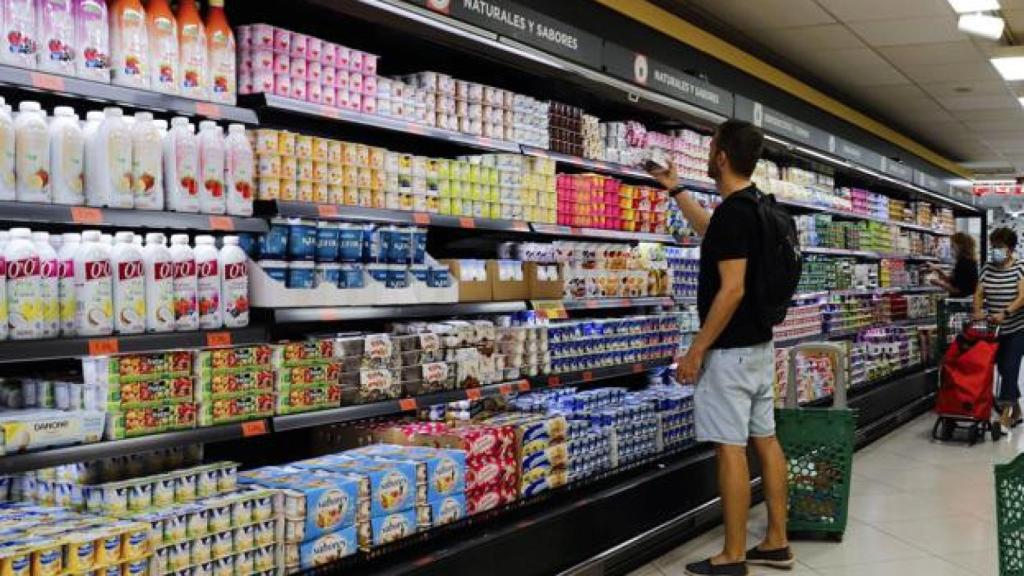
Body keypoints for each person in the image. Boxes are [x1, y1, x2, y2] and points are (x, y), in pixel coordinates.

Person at [650, 120, 793, 576]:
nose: (709, 154)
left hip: (729, 354)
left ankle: (732, 555)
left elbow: (730, 290)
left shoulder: (736, 212)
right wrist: (676, 189)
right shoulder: (760, 207)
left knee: (729, 448)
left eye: (711, 147)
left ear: (723, 157)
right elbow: (714, 233)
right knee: (765, 440)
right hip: (759, 347)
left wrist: (696, 350)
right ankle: (776, 541)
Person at [975, 227, 1024, 429]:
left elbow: (1023, 297)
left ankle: (1005, 415)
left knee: (1010, 368)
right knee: (1003, 368)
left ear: (1010, 249)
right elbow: (979, 292)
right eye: (993, 246)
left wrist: (1005, 313)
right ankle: (1018, 409)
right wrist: (977, 310)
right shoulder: (987, 267)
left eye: (1000, 247)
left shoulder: (1020, 267)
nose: (995, 250)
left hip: (1017, 327)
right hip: (994, 329)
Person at [927, 232, 978, 297]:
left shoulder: (964, 263)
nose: (951, 249)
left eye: (952, 245)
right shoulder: (968, 261)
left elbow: (958, 290)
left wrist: (939, 283)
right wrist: (938, 270)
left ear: (960, 246)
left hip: (961, 303)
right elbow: (953, 281)